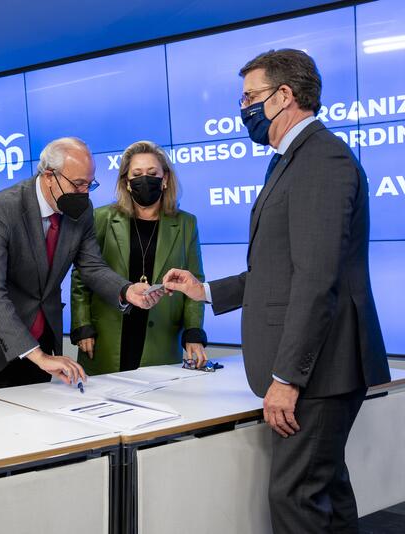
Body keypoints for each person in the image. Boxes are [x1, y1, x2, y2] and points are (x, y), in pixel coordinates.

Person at [163, 49, 390, 533]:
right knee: (325, 492)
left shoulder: (321, 159)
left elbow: (316, 279)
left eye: (250, 97)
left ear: (284, 95)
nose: (243, 107)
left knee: (296, 498)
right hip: (321, 369)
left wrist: (287, 378)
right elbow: (279, 271)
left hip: (319, 372)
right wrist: (205, 291)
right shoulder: (292, 160)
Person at [0, 137, 165, 394]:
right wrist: (37, 355)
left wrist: (127, 290)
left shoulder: (82, 210)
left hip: (41, 342)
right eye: (78, 184)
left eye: (90, 184)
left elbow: (92, 266)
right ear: (49, 176)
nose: (84, 193)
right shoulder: (1, 209)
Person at [70, 140, 206, 375]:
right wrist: (82, 325)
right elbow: (82, 276)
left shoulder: (186, 223)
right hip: (106, 338)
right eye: (137, 174)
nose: (145, 179)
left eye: (152, 174)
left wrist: (193, 331)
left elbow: (194, 283)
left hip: (161, 338)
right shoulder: (100, 218)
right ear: (127, 182)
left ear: (165, 179)